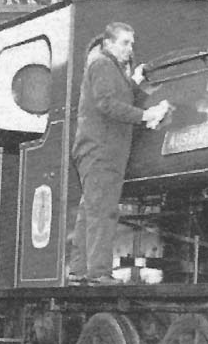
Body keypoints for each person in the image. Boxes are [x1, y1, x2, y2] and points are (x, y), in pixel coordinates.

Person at [68, 22, 169, 285]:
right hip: (102, 149)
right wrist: (146, 115)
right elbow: (107, 103)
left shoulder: (109, 68)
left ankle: (78, 270)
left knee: (89, 211)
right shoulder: (102, 64)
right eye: (125, 43)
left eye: (131, 43)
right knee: (103, 211)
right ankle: (99, 272)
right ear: (109, 43)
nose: (130, 48)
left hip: (97, 149)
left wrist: (135, 81)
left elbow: (122, 94)